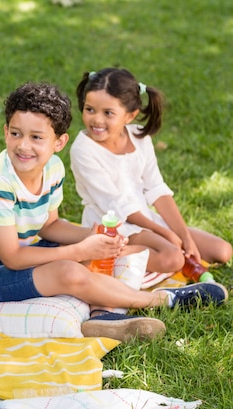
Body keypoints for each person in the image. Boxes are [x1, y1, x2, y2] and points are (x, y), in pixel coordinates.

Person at [0, 81, 228, 342]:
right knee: (69, 269)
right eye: (15, 134)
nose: (23, 145)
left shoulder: (52, 168)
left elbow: (49, 226)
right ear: (6, 132)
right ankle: (160, 300)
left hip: (9, 259)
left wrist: (91, 236)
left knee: (97, 254)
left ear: (59, 142)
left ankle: (102, 315)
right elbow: (13, 258)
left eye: (36, 137)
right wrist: (79, 251)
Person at [70, 68, 232, 274]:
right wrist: (163, 233)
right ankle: (105, 252)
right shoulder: (83, 149)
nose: (96, 120)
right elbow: (118, 206)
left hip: (145, 219)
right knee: (173, 258)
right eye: (89, 109)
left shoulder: (139, 136)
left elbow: (156, 188)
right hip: (114, 224)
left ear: (130, 116)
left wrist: (184, 236)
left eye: (108, 113)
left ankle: (144, 250)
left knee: (223, 251)